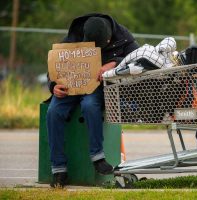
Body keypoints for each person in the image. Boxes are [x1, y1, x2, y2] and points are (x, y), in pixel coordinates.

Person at [46, 13, 139, 188]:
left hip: (96, 88)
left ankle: (98, 157)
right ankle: (58, 169)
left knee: (90, 105)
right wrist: (53, 86)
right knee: (53, 112)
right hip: (69, 89)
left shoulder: (124, 37)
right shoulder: (72, 37)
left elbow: (140, 59)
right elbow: (53, 68)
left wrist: (114, 63)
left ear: (110, 37)